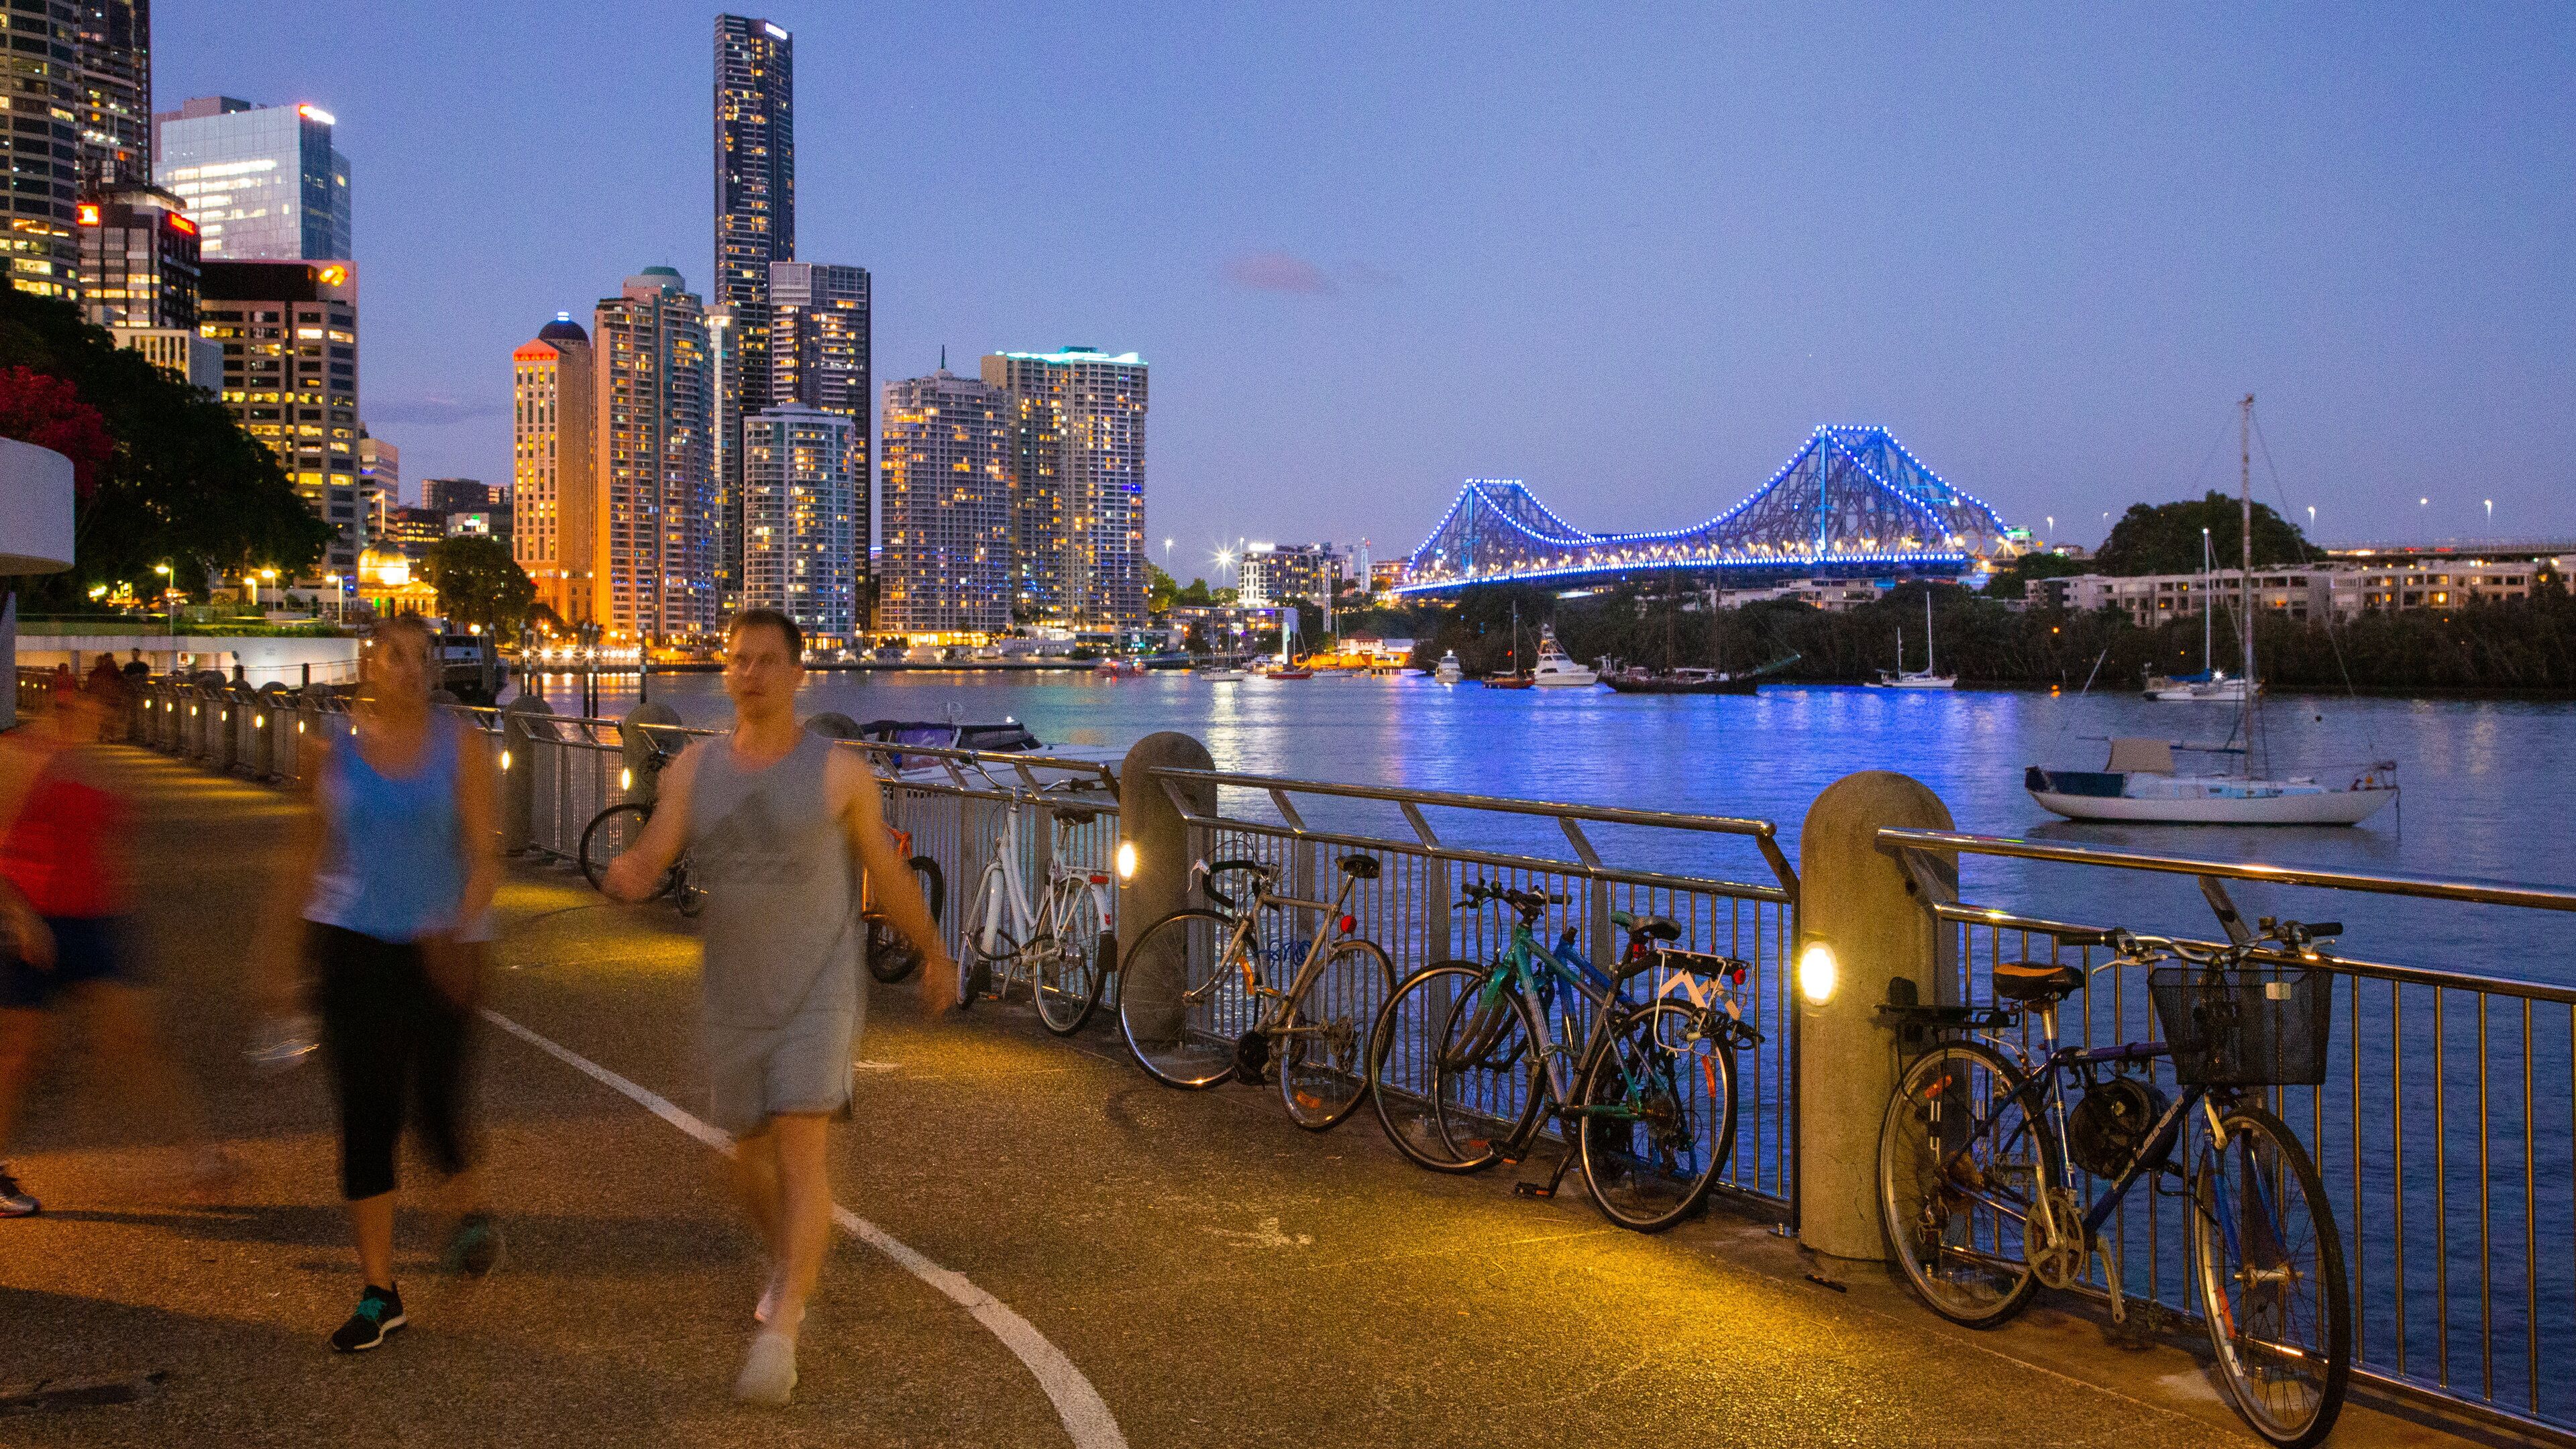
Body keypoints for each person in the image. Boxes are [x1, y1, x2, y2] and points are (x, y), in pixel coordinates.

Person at [602, 608, 951, 1407]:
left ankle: (783, 1329)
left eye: (766, 660)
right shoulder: (693, 771)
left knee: (802, 1148)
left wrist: (933, 952)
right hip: (734, 992)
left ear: (798, 675)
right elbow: (655, 851)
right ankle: (789, 1263)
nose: (750, 673)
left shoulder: (839, 773)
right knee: (746, 1162)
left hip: (818, 991)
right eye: (739, 660)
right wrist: (630, 875)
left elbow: (886, 874)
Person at [258, 616, 502, 1352]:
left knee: (437, 1106)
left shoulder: (460, 745)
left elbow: (485, 857)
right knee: (367, 1114)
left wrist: (459, 928)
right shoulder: (329, 752)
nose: (410, 669)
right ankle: (379, 1291)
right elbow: (305, 855)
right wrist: (277, 952)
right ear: (368, 662)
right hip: (352, 947)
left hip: (439, 945)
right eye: (395, 655)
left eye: (423, 657)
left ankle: (464, 1205)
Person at [0, 683, 230, 1218]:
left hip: (94, 920)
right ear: (69, 703)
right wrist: (21, 916)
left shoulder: (97, 764)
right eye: (96, 706)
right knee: (18, 1055)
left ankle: (201, 1158)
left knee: (138, 1039)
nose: (103, 717)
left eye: (109, 710)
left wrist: (123, 920)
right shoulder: (22, 754)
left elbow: (110, 847)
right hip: (35, 920)